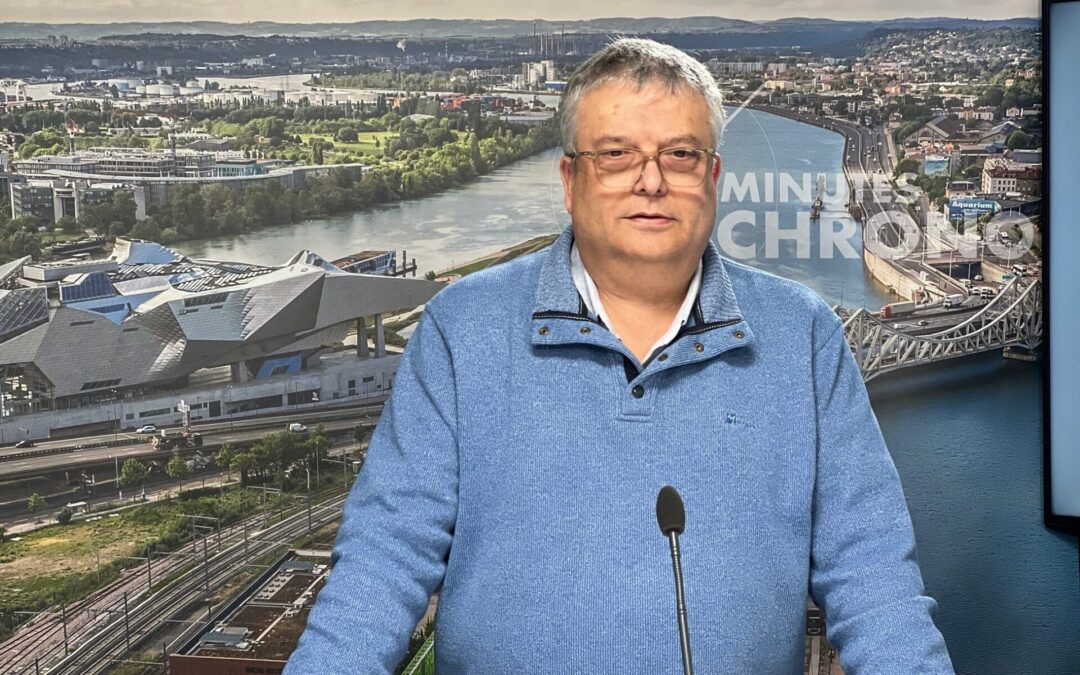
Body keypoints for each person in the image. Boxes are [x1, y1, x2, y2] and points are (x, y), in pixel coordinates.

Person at [285, 38, 954, 674]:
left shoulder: (803, 334)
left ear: (713, 177)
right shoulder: (462, 328)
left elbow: (875, 583)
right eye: (616, 154)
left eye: (680, 154)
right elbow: (381, 566)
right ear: (569, 180)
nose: (651, 181)